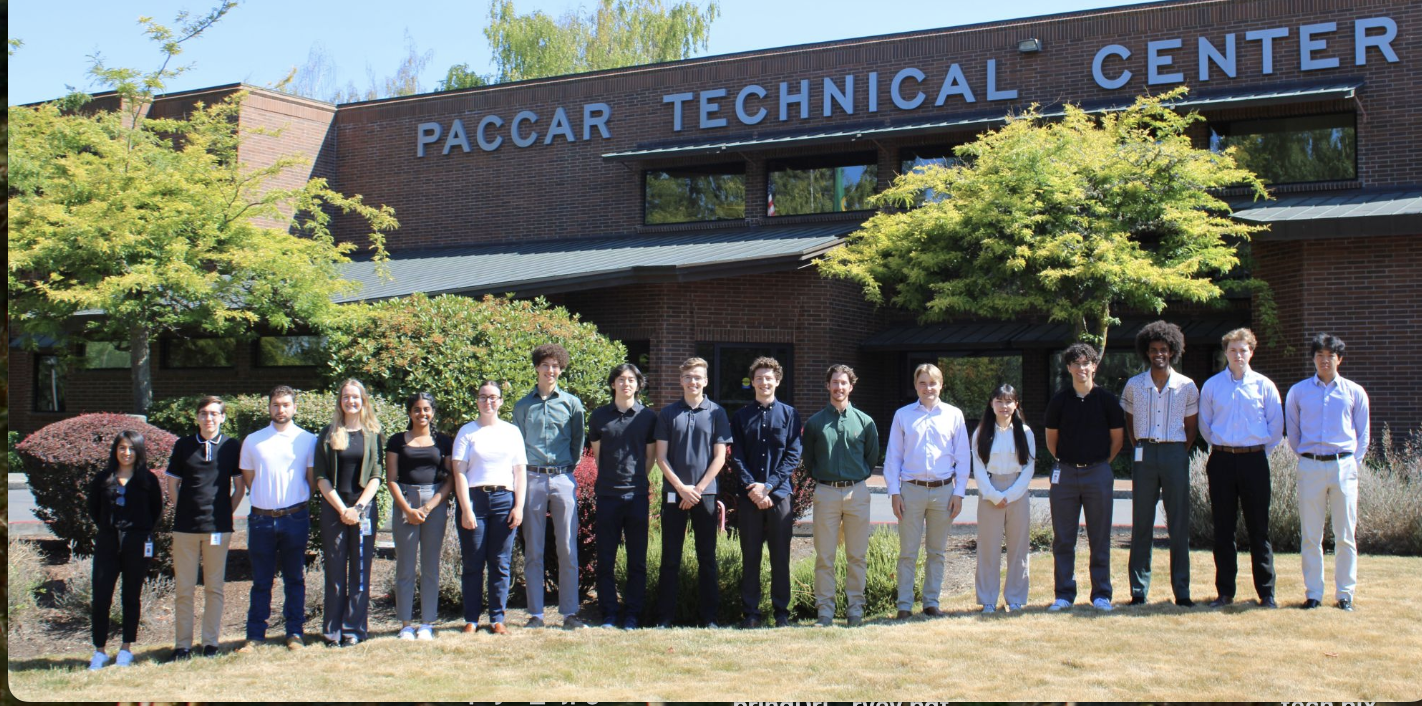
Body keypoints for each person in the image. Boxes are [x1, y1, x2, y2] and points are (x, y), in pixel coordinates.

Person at [1198, 328, 1284, 608]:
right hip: (1222, 461)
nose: (1238, 355)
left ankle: (1267, 593)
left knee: (1259, 529)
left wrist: (1255, 452)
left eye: (1243, 350)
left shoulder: (1264, 385)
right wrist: (1226, 449)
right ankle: (1225, 593)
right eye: (1233, 350)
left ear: (1251, 352)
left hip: (1254, 461)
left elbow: (1275, 427)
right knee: (1223, 529)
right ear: (1226, 353)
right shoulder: (1212, 386)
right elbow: (1205, 425)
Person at [1286, 333, 1370, 612]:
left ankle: (1345, 594)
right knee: (1311, 535)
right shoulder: (1298, 392)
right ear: (1313, 358)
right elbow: (1293, 433)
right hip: (1310, 466)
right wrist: (1307, 458)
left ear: (1339, 359)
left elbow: (1363, 434)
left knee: (1345, 534)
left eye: (1330, 356)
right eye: (1319, 355)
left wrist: (1351, 464)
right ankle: (1313, 594)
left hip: (1343, 466)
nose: (1324, 361)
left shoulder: (1354, 392)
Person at [1119, 320, 1199, 607]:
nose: (1158, 354)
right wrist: (1144, 445)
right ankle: (1138, 590)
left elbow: (1191, 429)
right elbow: (1129, 424)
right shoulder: (1134, 386)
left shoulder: (1187, 386)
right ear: (1146, 352)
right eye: (1153, 350)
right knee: (1142, 522)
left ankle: (1182, 591)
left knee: (1178, 523)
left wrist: (1175, 450)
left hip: (1175, 453)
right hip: (1145, 454)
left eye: (1163, 349)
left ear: (1172, 350)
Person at [1044, 343, 1126, 612]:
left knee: (1100, 536)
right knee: (1064, 538)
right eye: (1076, 364)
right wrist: (1072, 463)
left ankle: (1101, 594)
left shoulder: (1107, 401)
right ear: (1068, 368)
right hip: (1065, 474)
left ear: (1094, 366)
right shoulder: (1059, 401)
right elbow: (1051, 441)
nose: (1081, 368)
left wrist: (1098, 465)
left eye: (1086, 363)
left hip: (1098, 473)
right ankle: (1064, 594)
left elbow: (1117, 440)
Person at [885, 363, 970, 619]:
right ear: (915, 386)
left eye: (932, 383)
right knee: (907, 552)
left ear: (941, 385)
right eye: (922, 383)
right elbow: (893, 456)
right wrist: (894, 492)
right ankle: (904, 606)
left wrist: (960, 492)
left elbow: (963, 457)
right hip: (911, 490)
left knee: (937, 552)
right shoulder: (903, 415)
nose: (928, 388)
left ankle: (931, 602)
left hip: (943, 491)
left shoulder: (954, 415)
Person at [512, 343, 587, 630]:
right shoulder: (522, 406)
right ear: (537, 368)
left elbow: (577, 440)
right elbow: (517, 445)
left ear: (561, 369)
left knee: (567, 547)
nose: (550, 370)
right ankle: (536, 614)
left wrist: (568, 468)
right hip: (531, 479)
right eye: (546, 365)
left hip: (562, 478)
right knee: (533, 548)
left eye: (556, 366)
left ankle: (570, 613)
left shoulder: (571, 403)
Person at [238, 385, 318, 652]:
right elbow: (250, 479)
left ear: (294, 407)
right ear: (269, 407)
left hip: (295, 517)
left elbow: (311, 480)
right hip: (261, 519)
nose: (280, 409)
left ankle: (294, 632)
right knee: (261, 580)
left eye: (285, 404)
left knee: (294, 577)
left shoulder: (307, 440)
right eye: (275, 404)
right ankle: (255, 636)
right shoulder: (253, 440)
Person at [654, 356, 732, 628]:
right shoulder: (667, 413)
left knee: (707, 558)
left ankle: (709, 618)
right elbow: (661, 457)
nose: (693, 381)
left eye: (698, 377)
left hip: (705, 495)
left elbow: (720, 457)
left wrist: (696, 490)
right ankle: (664, 618)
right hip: (674, 494)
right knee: (670, 558)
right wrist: (681, 488)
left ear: (705, 381)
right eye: (688, 377)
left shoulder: (717, 413)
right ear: (681, 380)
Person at [164, 396, 244, 660]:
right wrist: (184, 509)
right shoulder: (183, 445)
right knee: (184, 589)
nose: (208, 418)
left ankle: (210, 643)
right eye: (203, 413)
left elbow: (239, 487)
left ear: (222, 417)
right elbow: (172, 484)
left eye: (213, 414)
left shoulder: (232, 446)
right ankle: (182, 646)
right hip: (185, 528)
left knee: (214, 588)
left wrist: (224, 512)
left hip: (218, 529)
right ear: (197, 417)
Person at [728, 356, 803, 629]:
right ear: (753, 382)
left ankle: (781, 612)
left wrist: (769, 486)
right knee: (750, 556)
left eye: (768, 378)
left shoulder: (790, 415)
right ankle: (751, 613)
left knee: (780, 555)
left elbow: (793, 455)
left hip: (779, 495)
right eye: (759, 378)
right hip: (749, 497)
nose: (763, 382)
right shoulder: (740, 417)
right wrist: (754, 487)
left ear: (778, 381)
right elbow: (736, 456)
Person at [803, 364, 879, 628]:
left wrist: (854, 479)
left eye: (843, 383)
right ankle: (825, 612)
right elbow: (809, 460)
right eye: (834, 383)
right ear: (828, 386)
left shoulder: (865, 422)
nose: (838, 388)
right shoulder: (814, 423)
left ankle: (855, 611)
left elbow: (871, 458)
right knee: (825, 556)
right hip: (825, 492)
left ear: (851, 386)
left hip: (857, 492)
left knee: (857, 555)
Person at [313, 379, 385, 646]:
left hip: (363, 511)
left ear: (363, 400)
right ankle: (332, 631)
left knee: (360, 571)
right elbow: (320, 476)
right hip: (335, 510)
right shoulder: (328, 433)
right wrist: (343, 509)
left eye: (355, 397)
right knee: (334, 571)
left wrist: (357, 508)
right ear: (340, 401)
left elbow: (377, 475)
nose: (351, 401)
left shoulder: (373, 433)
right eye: (346, 397)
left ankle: (354, 630)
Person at [452, 380, 528, 634]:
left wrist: (519, 506)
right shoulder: (467, 432)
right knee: (473, 563)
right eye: (484, 397)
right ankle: (471, 619)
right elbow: (459, 473)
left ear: (501, 401)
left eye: (493, 397)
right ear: (477, 400)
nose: (488, 401)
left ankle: (497, 618)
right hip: (475, 500)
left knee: (500, 562)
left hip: (504, 500)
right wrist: (466, 509)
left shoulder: (511, 432)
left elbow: (520, 473)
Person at [587, 363, 658, 630]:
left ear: (638, 385)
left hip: (637, 495)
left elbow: (650, 458)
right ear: (613, 384)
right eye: (620, 379)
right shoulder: (599, 417)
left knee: (637, 560)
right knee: (605, 558)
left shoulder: (648, 418)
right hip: (607, 495)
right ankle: (608, 614)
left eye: (630, 380)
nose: (625, 384)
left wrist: (635, 479)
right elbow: (598, 454)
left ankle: (632, 615)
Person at [87, 431, 164, 670]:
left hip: (137, 542)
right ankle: (99, 651)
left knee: (131, 596)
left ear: (139, 452)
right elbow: (93, 510)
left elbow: (155, 511)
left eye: (131, 448)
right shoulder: (103, 479)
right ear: (115, 450)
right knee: (101, 597)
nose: (126, 453)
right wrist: (110, 530)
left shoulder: (148, 480)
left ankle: (126, 648)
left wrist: (138, 533)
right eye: (122, 448)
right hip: (108, 542)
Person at [386, 392, 455, 640]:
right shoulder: (397, 441)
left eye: (426, 409)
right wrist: (407, 509)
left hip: (434, 505)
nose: (422, 413)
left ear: (433, 412)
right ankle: (405, 623)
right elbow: (391, 479)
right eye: (417, 409)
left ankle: (427, 622)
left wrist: (428, 508)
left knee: (430, 566)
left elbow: (450, 479)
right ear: (410, 412)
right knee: (404, 566)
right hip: (405, 502)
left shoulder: (444, 442)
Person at [972, 385, 1037, 614]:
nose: (1004, 406)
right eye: (999, 401)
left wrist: (1010, 495)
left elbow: (1029, 468)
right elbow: (978, 468)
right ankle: (988, 599)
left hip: (1017, 492)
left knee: (1018, 548)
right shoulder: (981, 432)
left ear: (1016, 404)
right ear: (991, 404)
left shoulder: (1025, 433)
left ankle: (1015, 597)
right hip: (990, 491)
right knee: (988, 548)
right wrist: (993, 495)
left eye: (1009, 401)